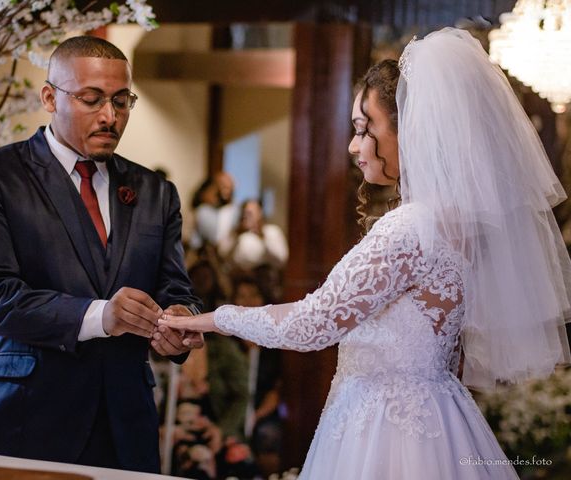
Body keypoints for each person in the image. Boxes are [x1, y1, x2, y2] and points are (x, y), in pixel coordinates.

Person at [161, 28, 571, 479]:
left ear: (409, 130)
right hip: (441, 416)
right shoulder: (460, 229)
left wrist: (208, 318)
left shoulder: (411, 226)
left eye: (364, 129)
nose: (355, 147)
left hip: (384, 429)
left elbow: (312, 323)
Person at [0, 36, 203, 473]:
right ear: (50, 97)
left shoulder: (155, 192)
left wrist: (179, 319)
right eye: (92, 99)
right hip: (25, 421)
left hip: (127, 427)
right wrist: (102, 315)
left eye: (123, 102)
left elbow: (174, 286)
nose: (110, 116)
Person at [218, 199, 289, 272]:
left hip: (262, 277)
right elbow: (222, 255)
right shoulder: (235, 234)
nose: (246, 216)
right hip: (238, 276)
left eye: (250, 213)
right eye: (244, 214)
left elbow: (281, 259)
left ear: (259, 213)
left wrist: (262, 237)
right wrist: (236, 236)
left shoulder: (271, 231)